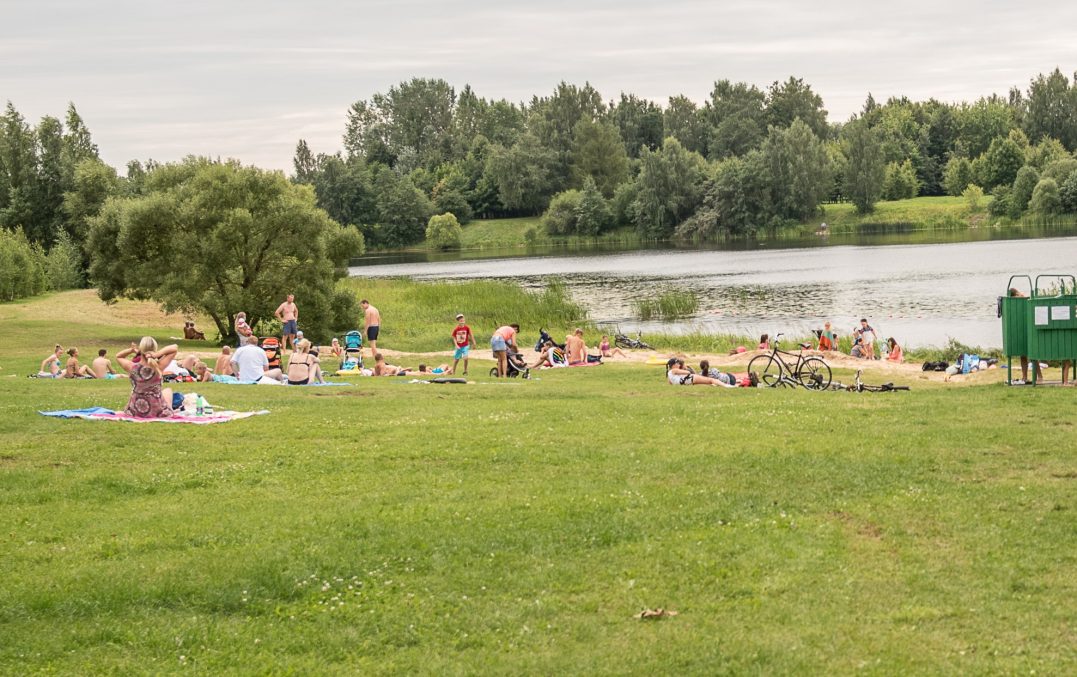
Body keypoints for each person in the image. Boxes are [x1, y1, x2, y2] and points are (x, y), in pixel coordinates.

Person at [116, 337, 177, 419]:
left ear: (141, 350)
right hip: (157, 411)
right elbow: (174, 348)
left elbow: (118, 356)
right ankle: (170, 409)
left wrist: (131, 350)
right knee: (167, 390)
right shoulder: (159, 366)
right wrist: (157, 354)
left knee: (134, 391)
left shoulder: (131, 367)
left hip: (135, 410)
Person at [666, 358, 733, 387]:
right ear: (674, 365)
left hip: (689, 381)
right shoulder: (674, 370)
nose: (679, 365)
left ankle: (724, 385)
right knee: (711, 380)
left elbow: (670, 383)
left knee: (707, 382)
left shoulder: (670, 374)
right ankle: (726, 386)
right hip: (691, 379)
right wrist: (686, 368)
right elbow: (688, 372)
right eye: (677, 363)